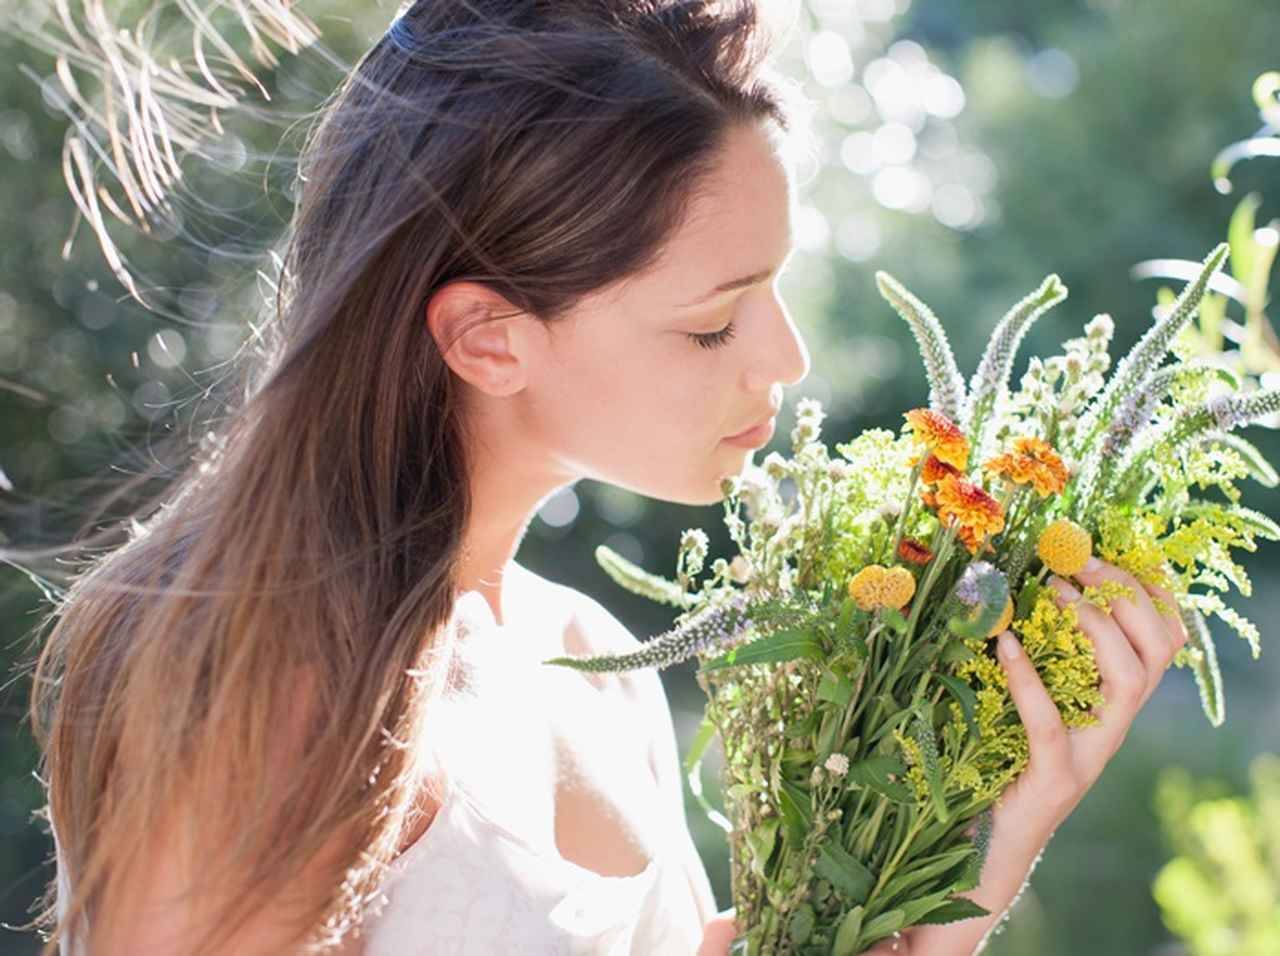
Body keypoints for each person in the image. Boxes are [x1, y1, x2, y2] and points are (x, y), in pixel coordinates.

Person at [7, 1, 1189, 954]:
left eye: (772, 286)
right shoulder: (268, 681)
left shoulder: (592, 660)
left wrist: (978, 855)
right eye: (713, 322)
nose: (786, 358)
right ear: (486, 338)